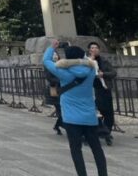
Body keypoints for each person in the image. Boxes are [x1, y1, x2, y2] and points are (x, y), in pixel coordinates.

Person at [43, 40, 107, 176]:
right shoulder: (90, 70)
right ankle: (103, 173)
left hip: (71, 118)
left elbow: (46, 61)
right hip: (89, 116)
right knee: (96, 148)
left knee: (76, 150)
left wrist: (51, 47)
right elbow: (85, 59)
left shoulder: (63, 72)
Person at [88, 41, 116, 145]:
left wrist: (103, 74)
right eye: (92, 48)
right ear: (89, 50)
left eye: (96, 48)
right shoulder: (87, 61)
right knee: (95, 114)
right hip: (92, 90)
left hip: (105, 89)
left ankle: (107, 132)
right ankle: (95, 134)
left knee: (108, 114)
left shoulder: (104, 61)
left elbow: (113, 73)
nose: (94, 49)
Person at [44, 50, 64, 135]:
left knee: (63, 109)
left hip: (63, 89)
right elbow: (49, 78)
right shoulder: (49, 66)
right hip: (54, 89)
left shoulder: (62, 64)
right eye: (53, 55)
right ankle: (62, 125)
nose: (55, 56)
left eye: (56, 54)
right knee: (60, 108)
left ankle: (57, 125)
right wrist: (62, 80)